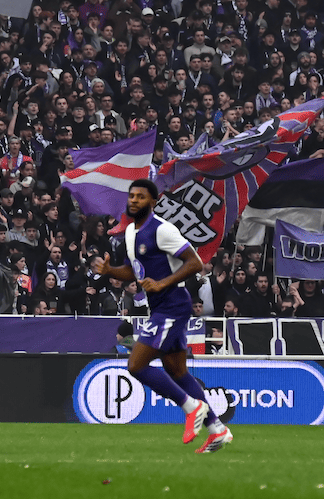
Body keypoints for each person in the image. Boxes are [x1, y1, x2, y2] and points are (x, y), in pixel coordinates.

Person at [92, 179, 231, 453]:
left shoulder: (163, 230)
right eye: (131, 196)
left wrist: (162, 283)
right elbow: (135, 273)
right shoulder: (131, 232)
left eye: (140, 197)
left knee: (136, 365)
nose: (133, 200)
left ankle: (192, 408)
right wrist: (109, 271)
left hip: (173, 304)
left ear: (153, 201)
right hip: (161, 306)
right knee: (177, 370)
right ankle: (217, 429)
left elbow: (195, 263)